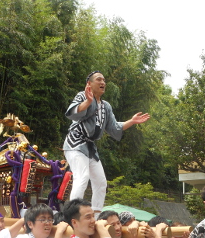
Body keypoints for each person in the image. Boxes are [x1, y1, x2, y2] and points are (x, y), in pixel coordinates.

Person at [63, 71, 150, 215]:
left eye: (104, 80)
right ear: (89, 84)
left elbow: (114, 127)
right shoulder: (82, 96)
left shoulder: (106, 106)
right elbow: (72, 113)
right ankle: (74, 214)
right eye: (99, 79)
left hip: (90, 147)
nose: (103, 82)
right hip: (76, 143)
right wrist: (88, 102)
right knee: (82, 177)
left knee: (101, 182)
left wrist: (132, 121)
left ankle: (96, 217)